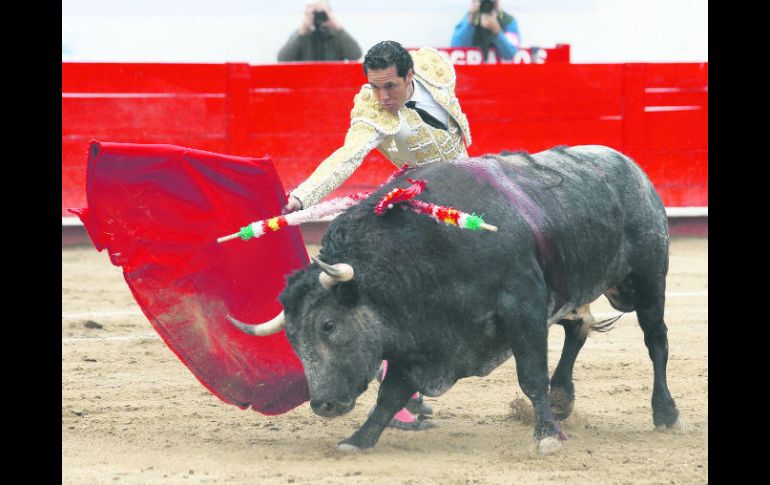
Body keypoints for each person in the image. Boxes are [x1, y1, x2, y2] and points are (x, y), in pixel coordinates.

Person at [282, 40, 473, 430]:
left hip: (467, 190)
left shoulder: (434, 66)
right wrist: (303, 197)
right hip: (418, 203)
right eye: (374, 87)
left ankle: (413, 388)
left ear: (410, 75)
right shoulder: (371, 112)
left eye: (391, 87)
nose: (382, 97)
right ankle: (401, 397)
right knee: (416, 300)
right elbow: (346, 157)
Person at [277, 0, 362, 62]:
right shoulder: (301, 35)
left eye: (322, 12)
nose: (318, 16)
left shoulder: (337, 35)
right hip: (307, 80)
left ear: (329, 13)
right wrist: (302, 30)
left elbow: (356, 55)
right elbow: (282, 59)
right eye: (314, 13)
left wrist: (337, 26)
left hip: (332, 80)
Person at [450, 0, 520, 62]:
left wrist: (497, 31)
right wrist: (470, 21)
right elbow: (456, 48)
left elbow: (511, 54)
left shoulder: (508, 21)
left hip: (499, 73)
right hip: (475, 72)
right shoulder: (470, 18)